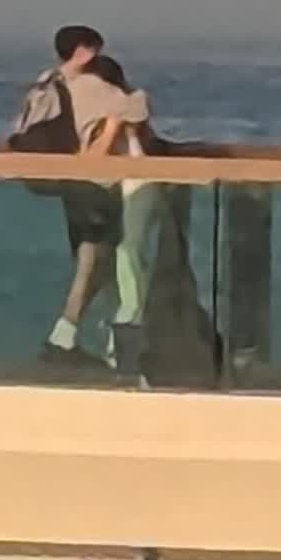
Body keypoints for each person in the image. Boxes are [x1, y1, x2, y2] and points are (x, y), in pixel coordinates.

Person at [80, 55, 220, 387]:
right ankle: (123, 349)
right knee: (124, 268)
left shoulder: (119, 117)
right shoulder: (111, 117)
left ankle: (127, 357)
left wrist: (114, 121)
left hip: (136, 192)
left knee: (129, 265)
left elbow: (94, 161)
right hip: (124, 197)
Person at [7, 27, 121, 365]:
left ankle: (74, 334)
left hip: (57, 180)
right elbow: (132, 111)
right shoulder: (87, 87)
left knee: (92, 256)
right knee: (100, 255)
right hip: (83, 181)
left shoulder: (44, 83)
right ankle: (75, 334)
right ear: (84, 52)